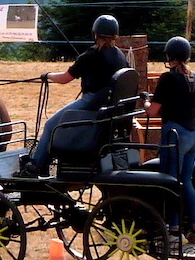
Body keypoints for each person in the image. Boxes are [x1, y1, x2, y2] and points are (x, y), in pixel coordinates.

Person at [15, 14, 128, 178]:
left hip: (91, 103)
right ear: (115, 35)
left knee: (51, 125)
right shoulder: (120, 56)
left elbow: (64, 78)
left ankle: (35, 167)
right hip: (109, 107)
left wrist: (48, 75)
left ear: (95, 34)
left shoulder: (91, 55)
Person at [143, 36, 195, 245]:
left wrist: (145, 101)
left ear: (169, 56)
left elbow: (153, 112)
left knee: (170, 183)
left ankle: (173, 231)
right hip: (194, 134)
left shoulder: (168, 78)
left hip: (175, 135)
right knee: (186, 181)